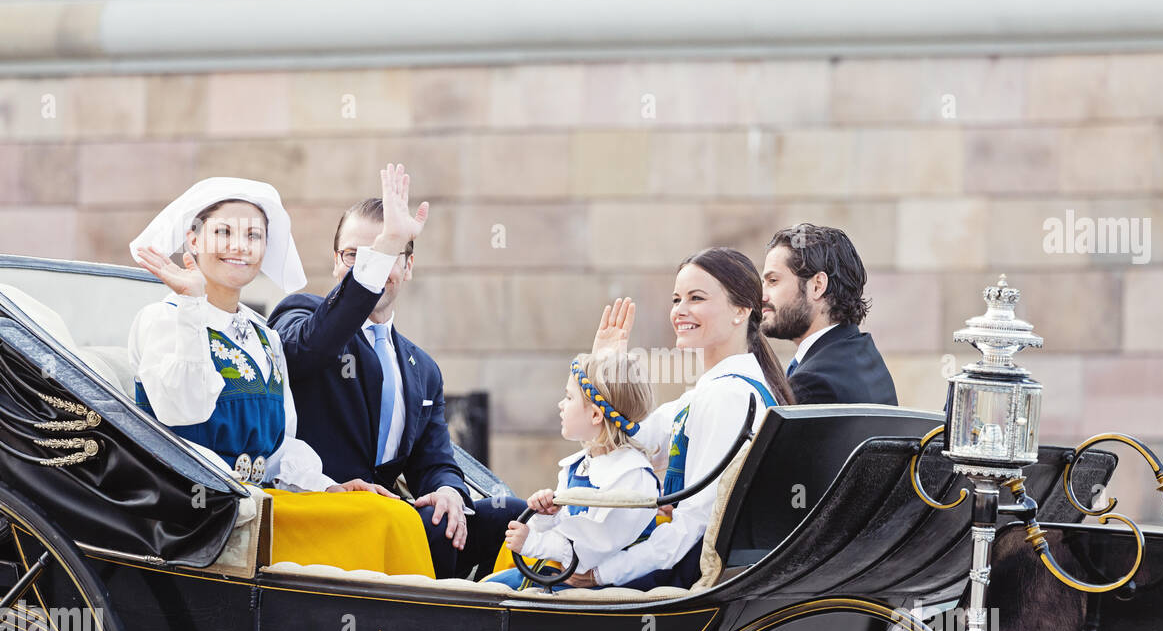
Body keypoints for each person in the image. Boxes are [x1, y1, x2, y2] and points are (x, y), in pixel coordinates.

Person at [128, 175, 435, 576]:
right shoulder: (163, 320)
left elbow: (280, 447)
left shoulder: (263, 337)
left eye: (253, 235)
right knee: (386, 522)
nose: (240, 246)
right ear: (194, 239)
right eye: (224, 232)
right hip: (199, 519)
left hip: (262, 509)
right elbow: (183, 410)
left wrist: (329, 487)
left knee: (385, 511)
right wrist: (191, 305)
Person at [267, 164, 523, 579]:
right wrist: (386, 245)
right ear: (337, 263)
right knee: (431, 530)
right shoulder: (302, 314)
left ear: (408, 266)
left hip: (392, 516)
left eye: (388, 254)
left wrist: (447, 492)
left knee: (515, 518)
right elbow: (311, 349)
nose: (373, 265)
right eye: (357, 255)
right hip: (325, 514)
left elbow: (435, 461)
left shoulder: (421, 368)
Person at [585, 247, 796, 591]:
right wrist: (605, 366)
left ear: (741, 310)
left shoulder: (728, 397)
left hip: (682, 581)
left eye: (696, 298)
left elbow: (693, 527)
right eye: (676, 299)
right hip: (674, 564)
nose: (680, 311)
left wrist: (601, 575)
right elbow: (625, 441)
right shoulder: (710, 393)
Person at [486, 351, 659, 591]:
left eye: (568, 397)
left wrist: (534, 542)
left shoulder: (632, 474)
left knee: (501, 593)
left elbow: (597, 545)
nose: (560, 404)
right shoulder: (577, 465)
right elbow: (566, 526)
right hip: (568, 576)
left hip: (607, 586)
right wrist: (549, 516)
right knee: (492, 585)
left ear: (596, 414)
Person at [760, 223, 898, 406]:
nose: (762, 296)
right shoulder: (866, 356)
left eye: (773, 281)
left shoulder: (813, 383)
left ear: (817, 286)